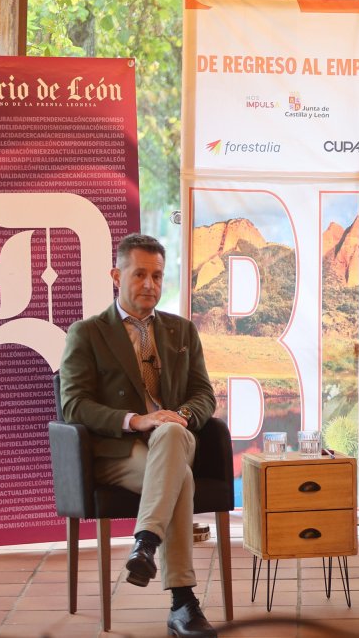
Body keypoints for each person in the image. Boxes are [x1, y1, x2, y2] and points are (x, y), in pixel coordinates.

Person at [59, 233, 218, 638]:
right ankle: (183, 602)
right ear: (117, 275)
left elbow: (204, 394)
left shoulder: (182, 332)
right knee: (179, 478)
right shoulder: (87, 333)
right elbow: (73, 405)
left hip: (174, 441)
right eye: (140, 274)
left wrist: (178, 416)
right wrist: (135, 420)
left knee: (170, 438)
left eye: (158, 276)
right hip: (119, 453)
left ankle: (146, 543)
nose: (150, 284)